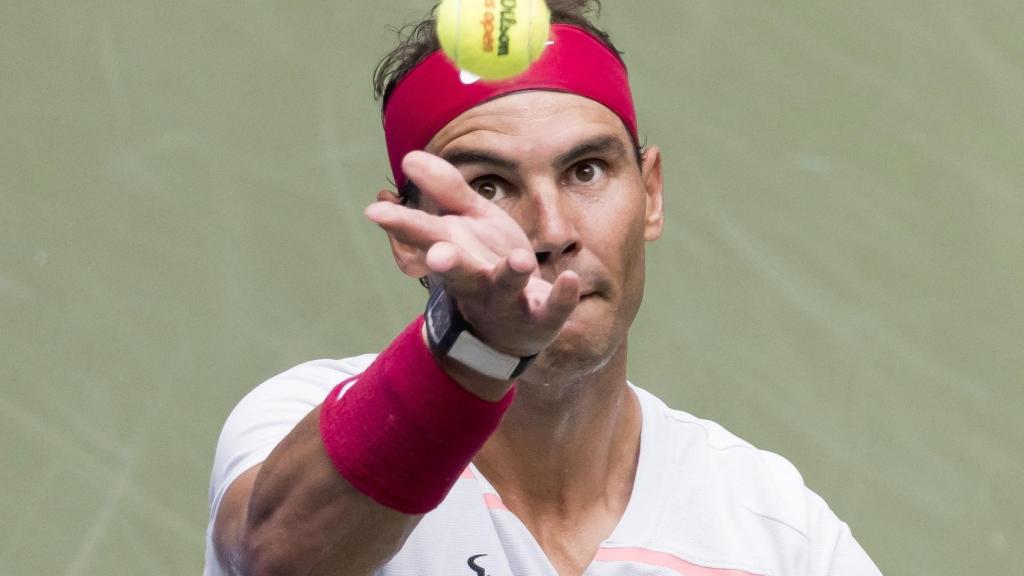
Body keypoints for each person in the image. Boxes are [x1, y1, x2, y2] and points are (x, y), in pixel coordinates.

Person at [204, 2, 883, 575]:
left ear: (650, 194)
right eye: (488, 186)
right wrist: (478, 349)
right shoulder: (302, 419)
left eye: (586, 171)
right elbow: (277, 559)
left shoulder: (776, 532)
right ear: (410, 238)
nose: (550, 230)